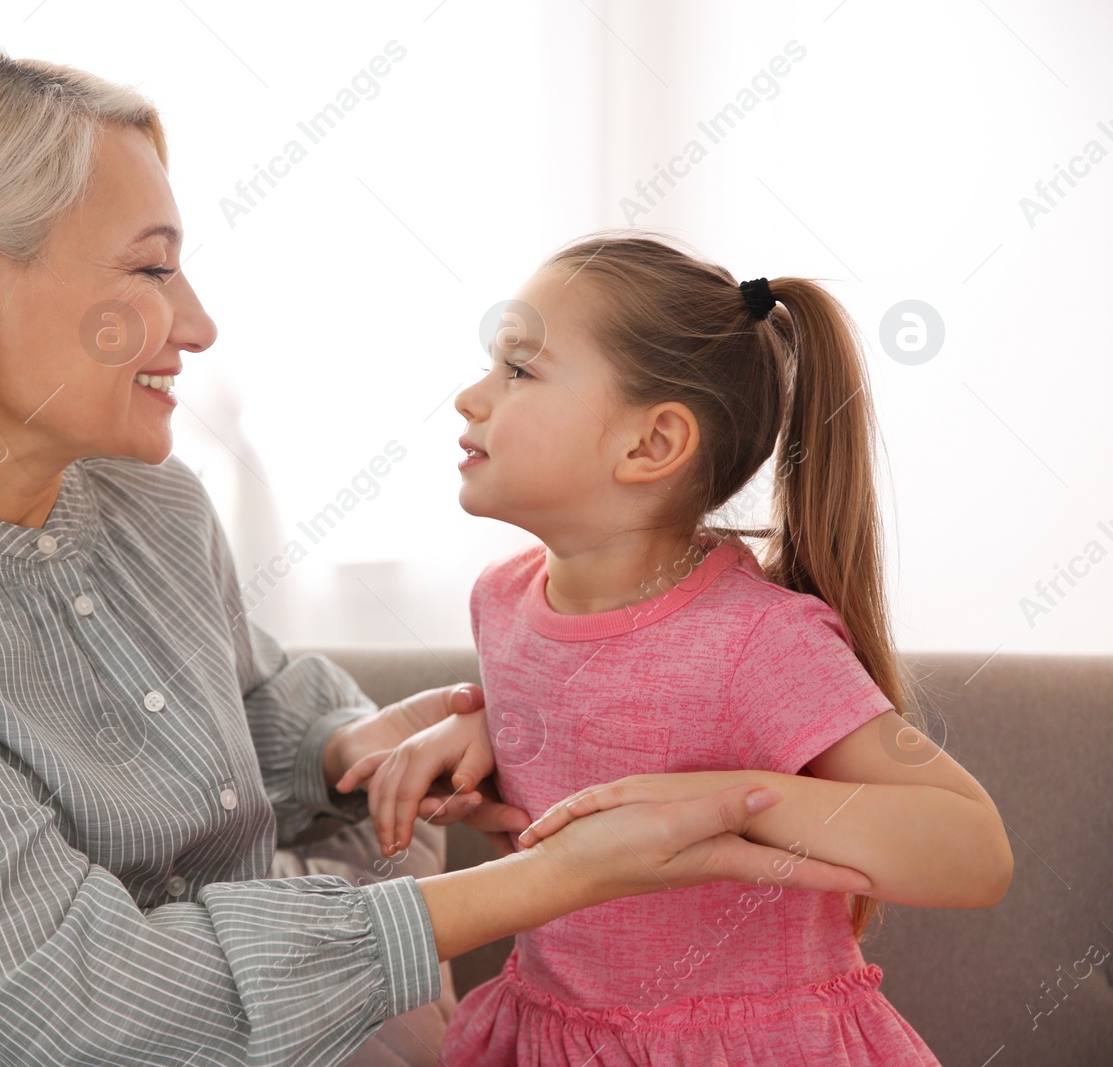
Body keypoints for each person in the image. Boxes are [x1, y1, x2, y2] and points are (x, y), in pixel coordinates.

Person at [0, 51, 876, 1067]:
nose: (195, 322)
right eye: (150, 268)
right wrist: (556, 878)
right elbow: (56, 1006)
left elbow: (237, 711)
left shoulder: (151, 502)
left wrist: (353, 747)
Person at [340, 234, 1015, 1065]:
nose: (470, 398)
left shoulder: (760, 641)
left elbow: (974, 850)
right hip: (550, 1035)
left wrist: (734, 798)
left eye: (519, 369)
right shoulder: (502, 600)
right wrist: (495, 736)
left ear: (651, 445)